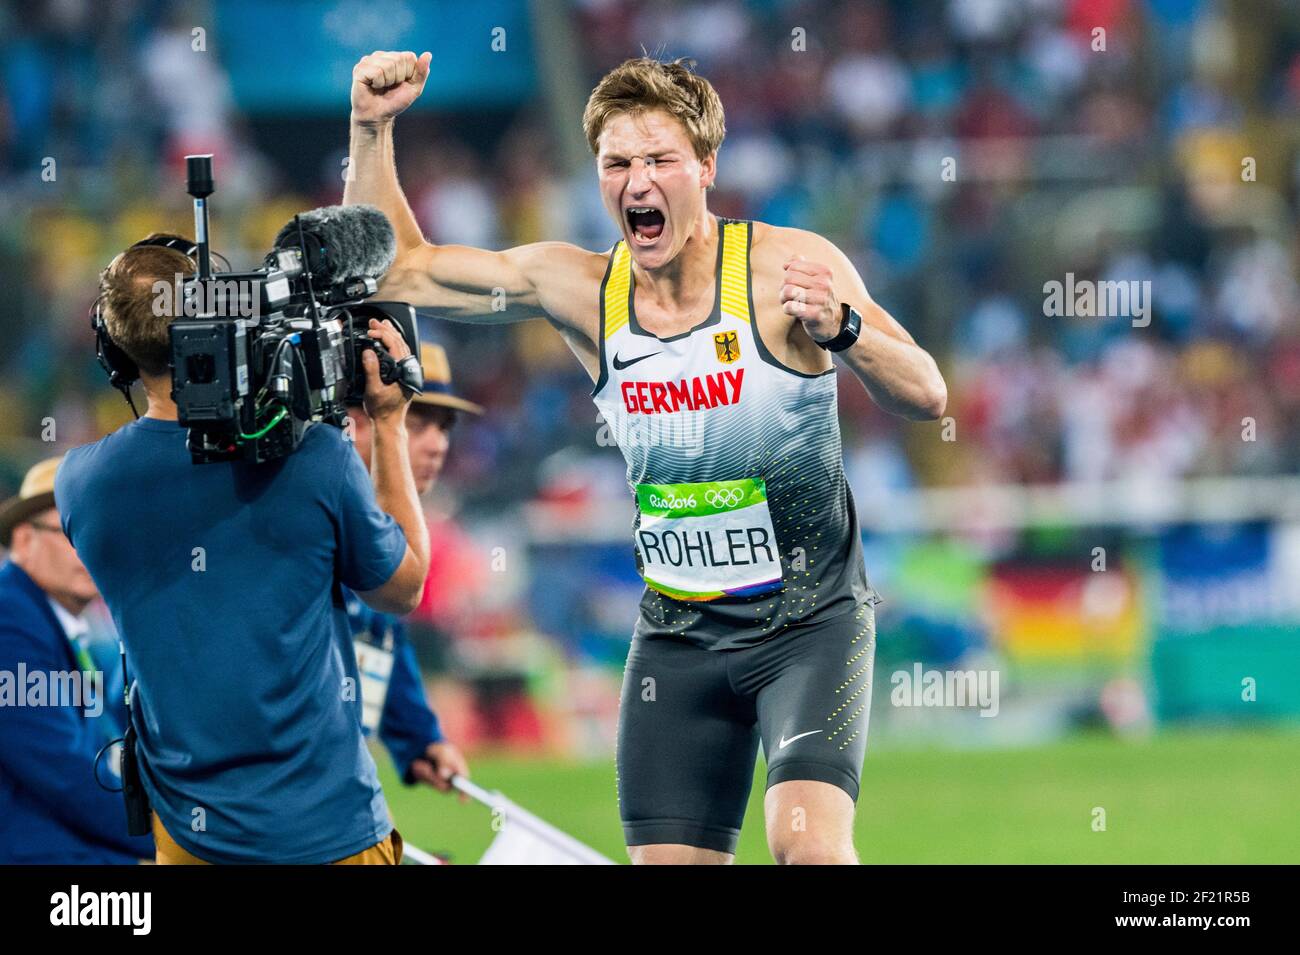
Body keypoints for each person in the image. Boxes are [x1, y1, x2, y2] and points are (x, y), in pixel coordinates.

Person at [345, 52, 947, 864]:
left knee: (806, 848)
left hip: (810, 625)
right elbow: (395, 269)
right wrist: (372, 127)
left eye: (659, 159)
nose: (637, 181)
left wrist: (846, 329)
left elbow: (927, 393)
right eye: (617, 163)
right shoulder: (582, 289)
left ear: (705, 167)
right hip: (680, 637)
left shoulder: (783, 269)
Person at [55, 235, 430, 864]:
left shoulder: (80, 484)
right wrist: (388, 424)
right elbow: (403, 588)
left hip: (189, 839)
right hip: (330, 833)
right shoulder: (315, 457)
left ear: (113, 351)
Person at [0, 456, 153, 863]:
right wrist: (167, 840)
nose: (91, 551)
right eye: (70, 534)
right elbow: (64, 773)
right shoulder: (8, 622)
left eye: (100, 535)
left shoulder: (50, 620)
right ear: (23, 540)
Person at [344, 341, 476, 794]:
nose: (438, 446)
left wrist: (419, 738)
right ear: (349, 422)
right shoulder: (305, 522)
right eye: (415, 424)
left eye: (446, 428)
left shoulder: (376, 531)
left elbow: (379, 638)